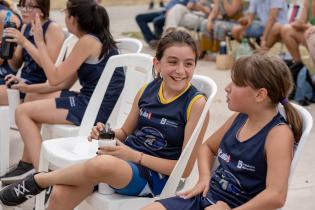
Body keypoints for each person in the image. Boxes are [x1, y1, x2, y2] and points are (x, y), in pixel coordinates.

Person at [0, 30, 208, 210]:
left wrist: (134, 156)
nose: (181, 71)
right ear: (157, 63)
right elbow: (124, 133)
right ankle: (45, 183)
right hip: (121, 162)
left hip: (155, 178)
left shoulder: (196, 104)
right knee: (60, 195)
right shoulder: (147, 90)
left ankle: (40, 180)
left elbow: (184, 169)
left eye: (188, 64)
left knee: (103, 165)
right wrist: (106, 132)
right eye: (172, 62)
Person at [141, 52, 303, 210]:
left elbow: (276, 196)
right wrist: (204, 178)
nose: (227, 88)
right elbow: (206, 147)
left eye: (236, 83)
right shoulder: (240, 118)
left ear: (260, 95)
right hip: (205, 198)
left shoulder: (278, 134)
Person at [0, 0, 125, 184]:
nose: (64, 19)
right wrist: (27, 88)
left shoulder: (87, 42)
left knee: (22, 112)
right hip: (90, 101)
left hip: (90, 108)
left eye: (66, 15)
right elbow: (63, 83)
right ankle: (29, 165)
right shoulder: (93, 39)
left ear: (73, 19)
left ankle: (42, 177)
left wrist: (39, 41)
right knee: (32, 97)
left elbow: (54, 77)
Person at [0, 0, 65, 105]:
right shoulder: (26, 27)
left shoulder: (52, 28)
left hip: (38, 87)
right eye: (22, 6)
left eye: (29, 6)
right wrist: (8, 47)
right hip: (21, 81)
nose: (23, 10)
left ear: (42, 10)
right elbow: (15, 65)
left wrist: (24, 42)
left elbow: (50, 67)